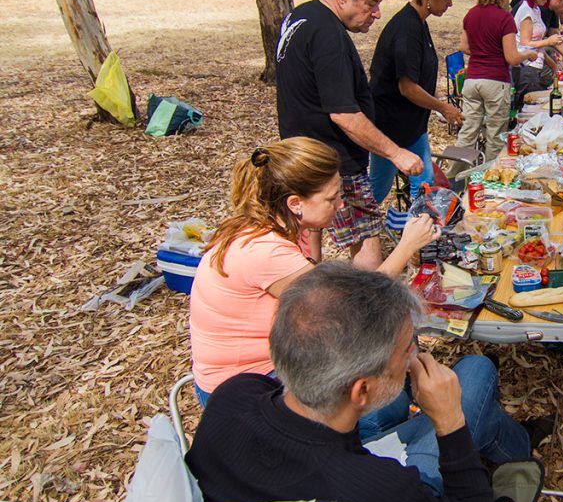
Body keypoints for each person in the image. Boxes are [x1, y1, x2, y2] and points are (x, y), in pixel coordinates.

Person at [186, 263, 540, 502]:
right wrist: (451, 422)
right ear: (362, 390)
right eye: (407, 351)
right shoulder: (382, 492)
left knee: (475, 387)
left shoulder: (232, 396)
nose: (414, 357)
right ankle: (521, 448)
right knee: (476, 373)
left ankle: (514, 440)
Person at [188, 138, 438, 406]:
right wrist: (406, 246)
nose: (341, 205)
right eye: (332, 198)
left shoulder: (283, 224)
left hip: (273, 365)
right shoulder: (266, 252)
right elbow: (353, 306)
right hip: (246, 390)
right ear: (296, 202)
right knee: (388, 401)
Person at [276, 0, 422, 270]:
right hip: (335, 160)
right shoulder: (330, 36)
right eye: (371, 3)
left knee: (307, 232)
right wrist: (396, 153)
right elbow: (343, 113)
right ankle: (368, 312)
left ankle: (308, 290)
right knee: (367, 238)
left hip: (299, 154)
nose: (377, 13)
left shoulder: (299, 17)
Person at [368, 0, 468, 204]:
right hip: (391, 126)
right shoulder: (406, 29)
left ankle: (420, 232)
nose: (450, 3)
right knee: (376, 191)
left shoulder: (419, 23)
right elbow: (408, 87)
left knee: (424, 185)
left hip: (412, 126)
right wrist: (444, 107)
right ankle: (351, 231)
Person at [454, 0, 539, 160]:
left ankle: (455, 177)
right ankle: (491, 179)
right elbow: (512, 58)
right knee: (495, 137)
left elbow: (464, 47)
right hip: (495, 81)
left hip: (472, 80)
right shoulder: (504, 18)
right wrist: (528, 54)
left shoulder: (472, 14)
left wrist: (484, 51)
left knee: (467, 133)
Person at [512, 0, 563, 99]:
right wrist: (548, 41)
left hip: (535, 67)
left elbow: (537, 43)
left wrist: (551, 63)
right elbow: (525, 43)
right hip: (526, 67)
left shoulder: (536, 9)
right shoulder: (526, 10)